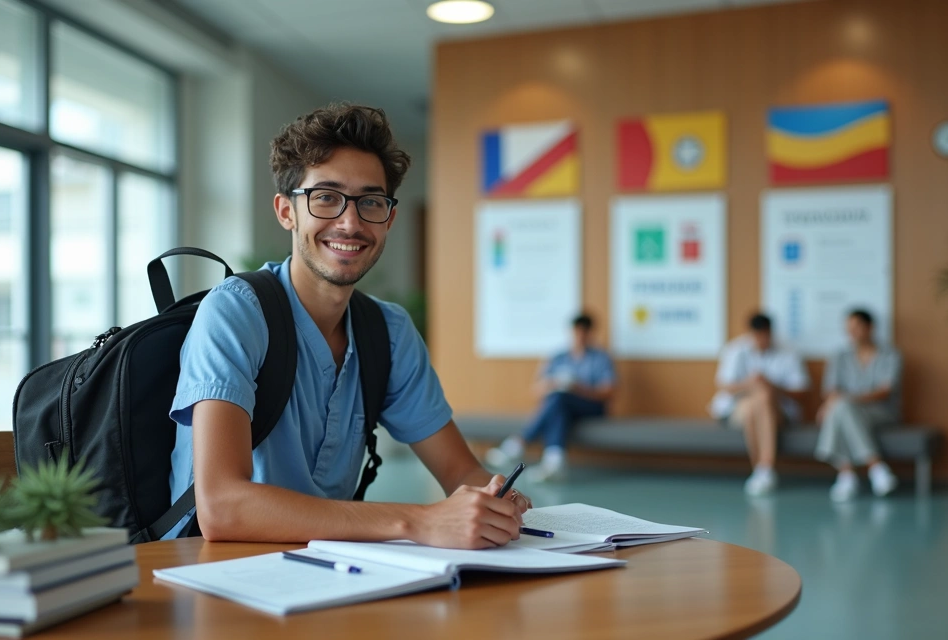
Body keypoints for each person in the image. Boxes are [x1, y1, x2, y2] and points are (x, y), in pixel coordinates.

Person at [166, 104, 531, 548]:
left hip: (327, 567)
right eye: (325, 197)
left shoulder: (389, 332)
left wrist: (496, 497)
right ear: (286, 211)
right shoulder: (236, 312)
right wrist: (418, 521)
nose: (350, 222)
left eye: (371, 202)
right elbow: (223, 507)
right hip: (217, 567)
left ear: (389, 218)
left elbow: (460, 470)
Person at [485, 313, 616, 482]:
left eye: (584, 333)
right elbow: (536, 390)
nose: (579, 337)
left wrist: (578, 389)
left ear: (590, 333)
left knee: (559, 400)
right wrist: (553, 384)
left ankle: (518, 444)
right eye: (577, 332)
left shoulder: (600, 358)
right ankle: (554, 462)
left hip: (591, 406)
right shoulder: (558, 357)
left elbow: (609, 392)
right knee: (558, 404)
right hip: (562, 405)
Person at [710, 313, 809, 496]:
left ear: (771, 333)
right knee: (756, 402)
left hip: (777, 411)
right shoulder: (735, 349)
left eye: (765, 335)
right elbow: (724, 386)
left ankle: (760, 470)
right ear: (750, 334)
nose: (761, 340)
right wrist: (750, 384)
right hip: (737, 408)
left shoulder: (788, 351)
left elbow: (801, 391)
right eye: (757, 336)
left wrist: (772, 387)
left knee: (761, 399)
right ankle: (765, 468)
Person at [815, 309, 901, 501]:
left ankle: (847, 475)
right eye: (849, 328)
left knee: (841, 409)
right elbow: (830, 390)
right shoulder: (840, 356)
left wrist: (846, 400)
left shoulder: (890, 354)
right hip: (846, 409)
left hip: (880, 411)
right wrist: (835, 402)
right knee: (842, 410)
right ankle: (876, 469)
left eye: (857, 327)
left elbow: (885, 391)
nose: (852, 332)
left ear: (870, 327)